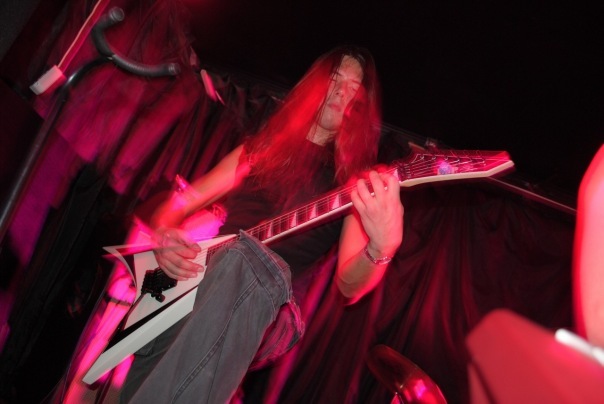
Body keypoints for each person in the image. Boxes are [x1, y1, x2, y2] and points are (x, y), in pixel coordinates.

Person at [121, 45, 404, 403]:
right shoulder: (258, 150)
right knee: (144, 368)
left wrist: (379, 249)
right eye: (335, 78)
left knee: (244, 258)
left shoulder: (351, 185)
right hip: (206, 274)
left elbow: (349, 284)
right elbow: (181, 202)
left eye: (354, 89)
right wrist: (165, 234)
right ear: (316, 85)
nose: (341, 92)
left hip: (275, 306)